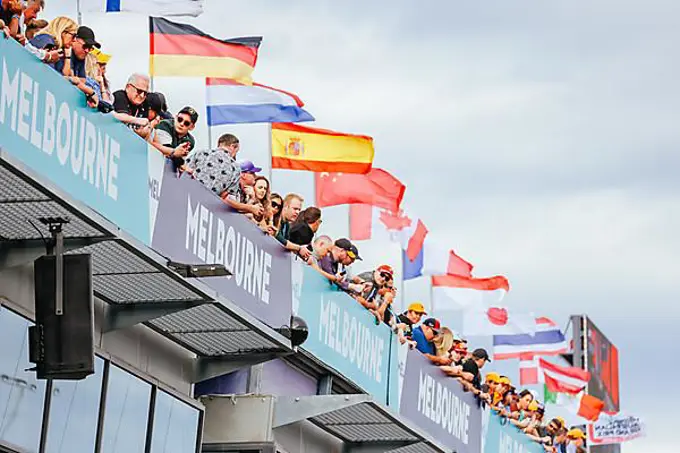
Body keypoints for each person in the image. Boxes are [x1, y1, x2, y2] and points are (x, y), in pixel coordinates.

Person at [274, 194, 311, 259]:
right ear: (285, 207)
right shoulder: (275, 217)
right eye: (295, 209)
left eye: (299, 210)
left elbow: (287, 243)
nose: (297, 212)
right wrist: (299, 248)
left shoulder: (287, 225)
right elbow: (280, 240)